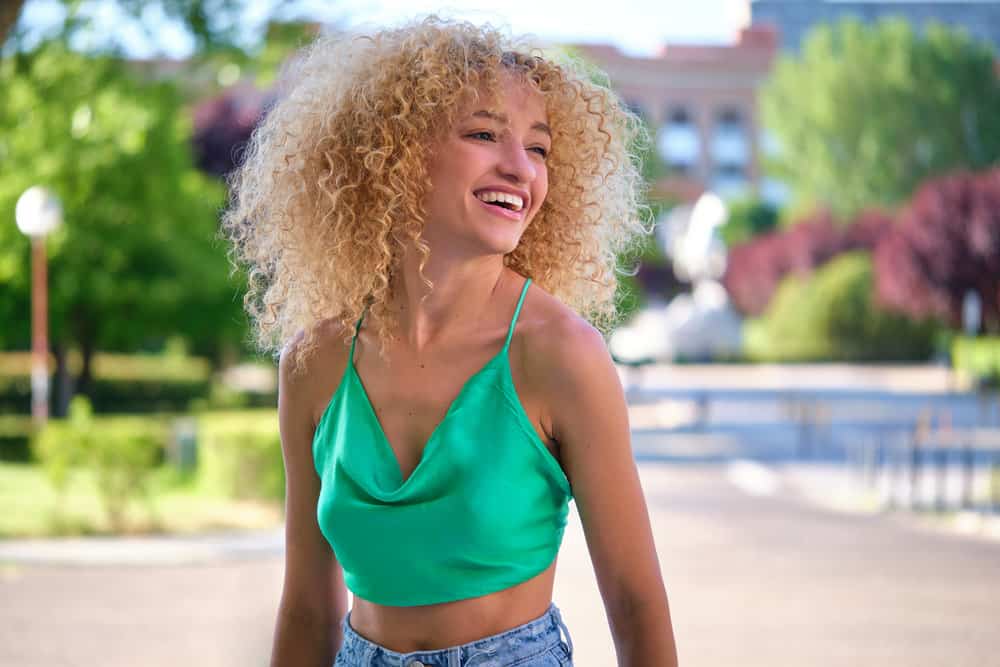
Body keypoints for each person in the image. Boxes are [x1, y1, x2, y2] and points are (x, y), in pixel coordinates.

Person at [222, 16, 678, 667]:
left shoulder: (561, 355)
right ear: (396, 152)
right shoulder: (315, 361)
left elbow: (635, 602)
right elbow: (306, 608)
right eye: (484, 134)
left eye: (540, 148)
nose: (520, 168)